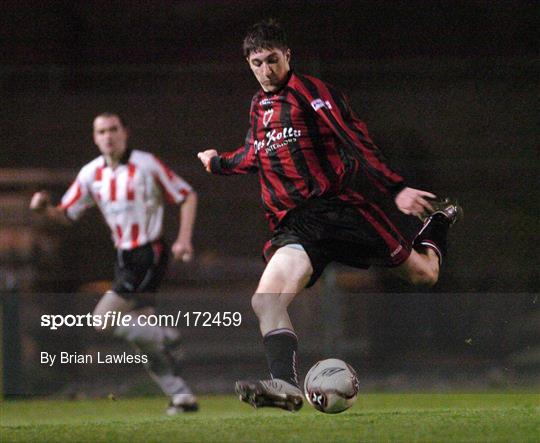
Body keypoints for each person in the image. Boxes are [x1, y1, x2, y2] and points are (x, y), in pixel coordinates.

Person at [197, 19, 462, 412]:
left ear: (288, 55)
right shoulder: (258, 106)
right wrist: (218, 162)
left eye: (273, 60)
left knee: (425, 274)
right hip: (295, 226)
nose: (266, 71)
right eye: (257, 63)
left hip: (338, 210)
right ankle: (285, 386)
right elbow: (256, 153)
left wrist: (395, 188)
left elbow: (353, 136)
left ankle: (437, 222)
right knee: (265, 302)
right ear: (248, 64)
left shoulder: (311, 92)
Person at [30, 112, 199, 414]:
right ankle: (181, 396)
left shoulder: (146, 164)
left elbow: (186, 194)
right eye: (101, 131)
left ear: (125, 133)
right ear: (95, 138)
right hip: (124, 257)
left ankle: (167, 335)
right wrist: (44, 209)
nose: (108, 136)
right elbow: (66, 214)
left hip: (149, 253)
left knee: (102, 319)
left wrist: (184, 240)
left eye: (113, 130)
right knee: (143, 341)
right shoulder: (91, 173)